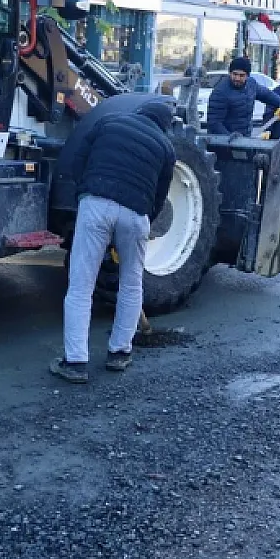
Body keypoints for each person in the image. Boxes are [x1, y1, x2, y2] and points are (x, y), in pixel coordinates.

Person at [50, 99, 178, 384]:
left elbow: (78, 161)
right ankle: (119, 352)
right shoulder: (165, 147)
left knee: (81, 285)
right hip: (136, 214)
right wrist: (140, 221)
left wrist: (85, 193)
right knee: (131, 283)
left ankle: (75, 362)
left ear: (140, 111)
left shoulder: (109, 122)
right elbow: (159, 196)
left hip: (96, 203)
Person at [205, 56, 280, 137]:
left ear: (247, 75)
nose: (237, 78)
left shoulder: (251, 84)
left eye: (241, 75)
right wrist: (229, 138)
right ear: (230, 73)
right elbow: (214, 122)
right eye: (235, 74)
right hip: (222, 140)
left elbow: (266, 94)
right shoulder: (220, 92)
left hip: (244, 136)